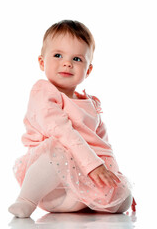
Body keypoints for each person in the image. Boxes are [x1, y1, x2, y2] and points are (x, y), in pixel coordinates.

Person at [8, 20, 136, 218]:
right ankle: (26, 200)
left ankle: (92, 202)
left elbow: (104, 146)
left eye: (77, 59)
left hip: (80, 188)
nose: (67, 63)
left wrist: (113, 178)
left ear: (88, 69)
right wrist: (93, 165)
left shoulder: (91, 104)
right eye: (58, 55)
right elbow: (61, 130)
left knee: (123, 197)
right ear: (42, 62)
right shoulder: (44, 92)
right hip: (51, 188)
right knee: (58, 149)